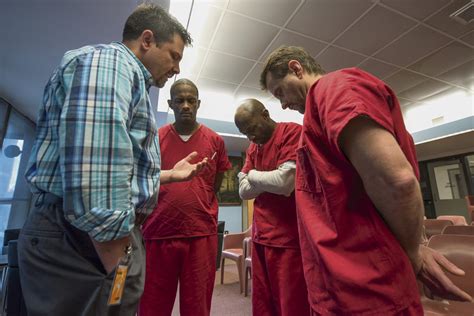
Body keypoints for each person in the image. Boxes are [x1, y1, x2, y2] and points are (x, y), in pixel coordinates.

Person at [17, 4, 206, 316]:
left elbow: (117, 168)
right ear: (147, 40)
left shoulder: (125, 77)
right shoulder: (111, 63)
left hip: (88, 237)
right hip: (83, 240)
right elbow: (96, 165)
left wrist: (169, 174)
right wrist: (120, 261)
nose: (176, 69)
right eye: (174, 55)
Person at [259, 46, 473, 315]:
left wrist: (414, 254)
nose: (283, 104)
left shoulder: (334, 88)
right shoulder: (315, 118)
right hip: (338, 285)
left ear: (296, 68)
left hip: (367, 289)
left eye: (280, 92)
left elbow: (396, 181)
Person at [139, 79, 231, 316]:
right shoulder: (156, 138)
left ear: (199, 104)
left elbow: (216, 184)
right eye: (180, 101)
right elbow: (143, 179)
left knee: (197, 305)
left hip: (200, 234)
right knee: (152, 305)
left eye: (191, 100)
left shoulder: (215, 140)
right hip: (159, 232)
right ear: (170, 104)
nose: (186, 105)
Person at [235, 99, 310, 316]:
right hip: (261, 236)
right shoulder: (253, 148)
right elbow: (243, 192)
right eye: (245, 133)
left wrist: (252, 175)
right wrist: (265, 180)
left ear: (265, 115)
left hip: (289, 239)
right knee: (263, 303)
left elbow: (284, 183)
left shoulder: (292, 133)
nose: (251, 137)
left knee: (291, 304)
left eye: (252, 129)